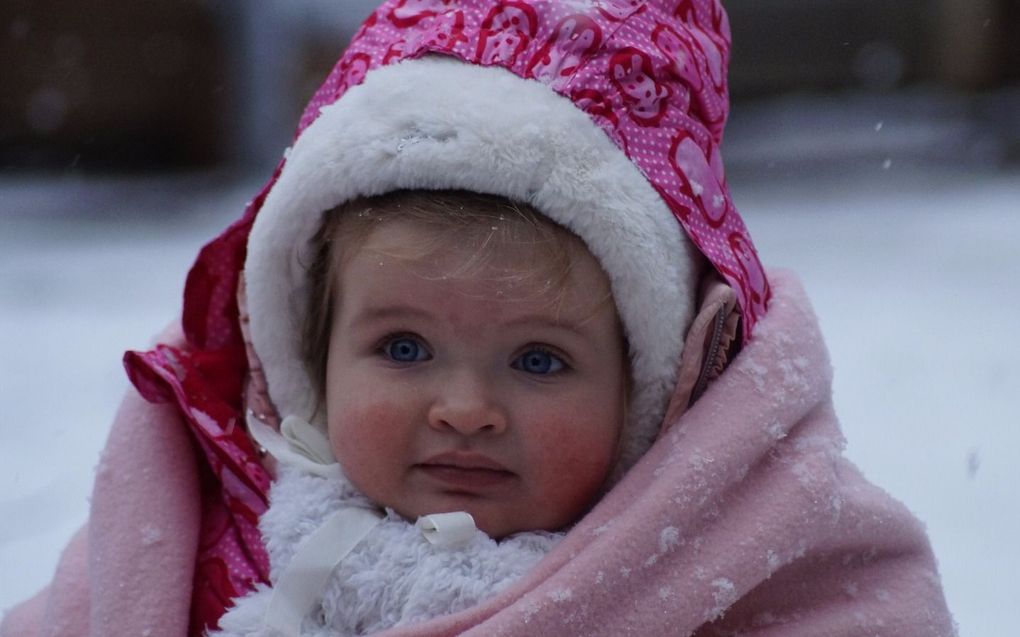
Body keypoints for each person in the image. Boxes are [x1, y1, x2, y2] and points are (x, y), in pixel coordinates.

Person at [1, 1, 955, 636]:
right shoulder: (201, 523)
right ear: (306, 355)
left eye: (539, 359)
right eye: (403, 347)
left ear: (650, 391)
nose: (465, 408)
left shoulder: (735, 563)